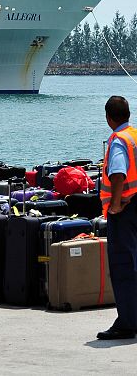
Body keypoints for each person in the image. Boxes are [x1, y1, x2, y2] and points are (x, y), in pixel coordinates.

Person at [98, 95, 137, 340]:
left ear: (109, 118)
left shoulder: (119, 140)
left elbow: (118, 172)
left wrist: (114, 206)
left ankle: (126, 322)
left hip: (125, 211)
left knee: (123, 265)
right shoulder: (134, 135)